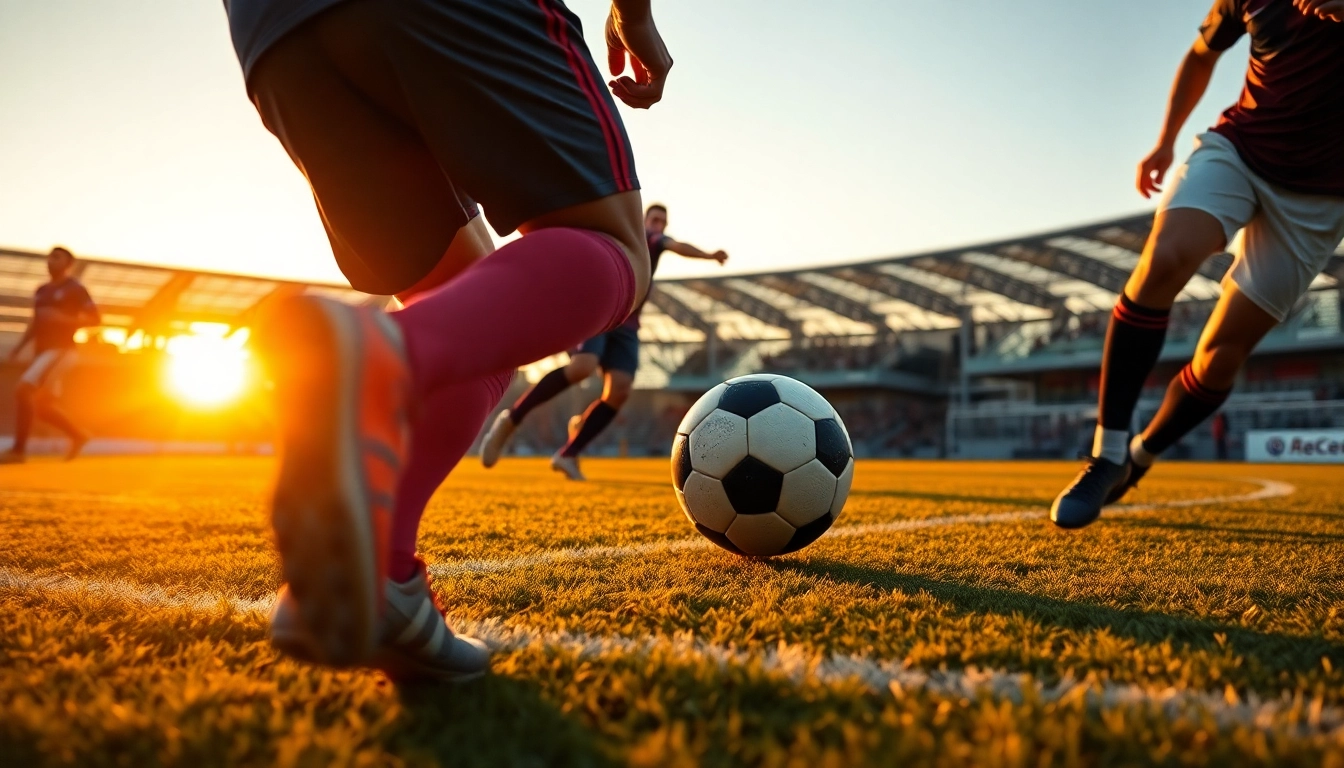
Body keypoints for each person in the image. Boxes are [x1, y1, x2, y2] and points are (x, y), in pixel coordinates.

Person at [222, 0, 672, 680]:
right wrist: (634, 14)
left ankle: (383, 578)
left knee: (464, 305)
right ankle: (377, 358)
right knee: (615, 250)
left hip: (275, 36)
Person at [1051, 0, 1344, 527]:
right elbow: (1200, 54)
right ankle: (1108, 453)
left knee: (1220, 356)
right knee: (1165, 258)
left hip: (1321, 197)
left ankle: (1139, 457)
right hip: (1240, 150)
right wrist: (1165, 142)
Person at [479, 203, 727, 479]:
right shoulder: (641, 236)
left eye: (662, 222)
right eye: (654, 220)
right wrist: (708, 255)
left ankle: (569, 454)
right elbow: (675, 245)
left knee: (619, 390)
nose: (657, 226)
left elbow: (671, 244)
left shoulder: (652, 246)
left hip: (628, 326)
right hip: (602, 309)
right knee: (582, 367)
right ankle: (510, 420)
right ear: (643, 220)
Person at [2, 247, 98, 464]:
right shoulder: (42, 290)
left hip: (62, 350)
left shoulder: (75, 289)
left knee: (24, 390)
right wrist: (19, 347)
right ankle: (79, 435)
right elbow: (37, 322)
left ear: (68, 264)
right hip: (43, 353)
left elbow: (95, 320)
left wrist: (63, 319)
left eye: (57, 257)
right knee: (43, 408)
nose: (50, 261)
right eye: (49, 257)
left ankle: (18, 451)